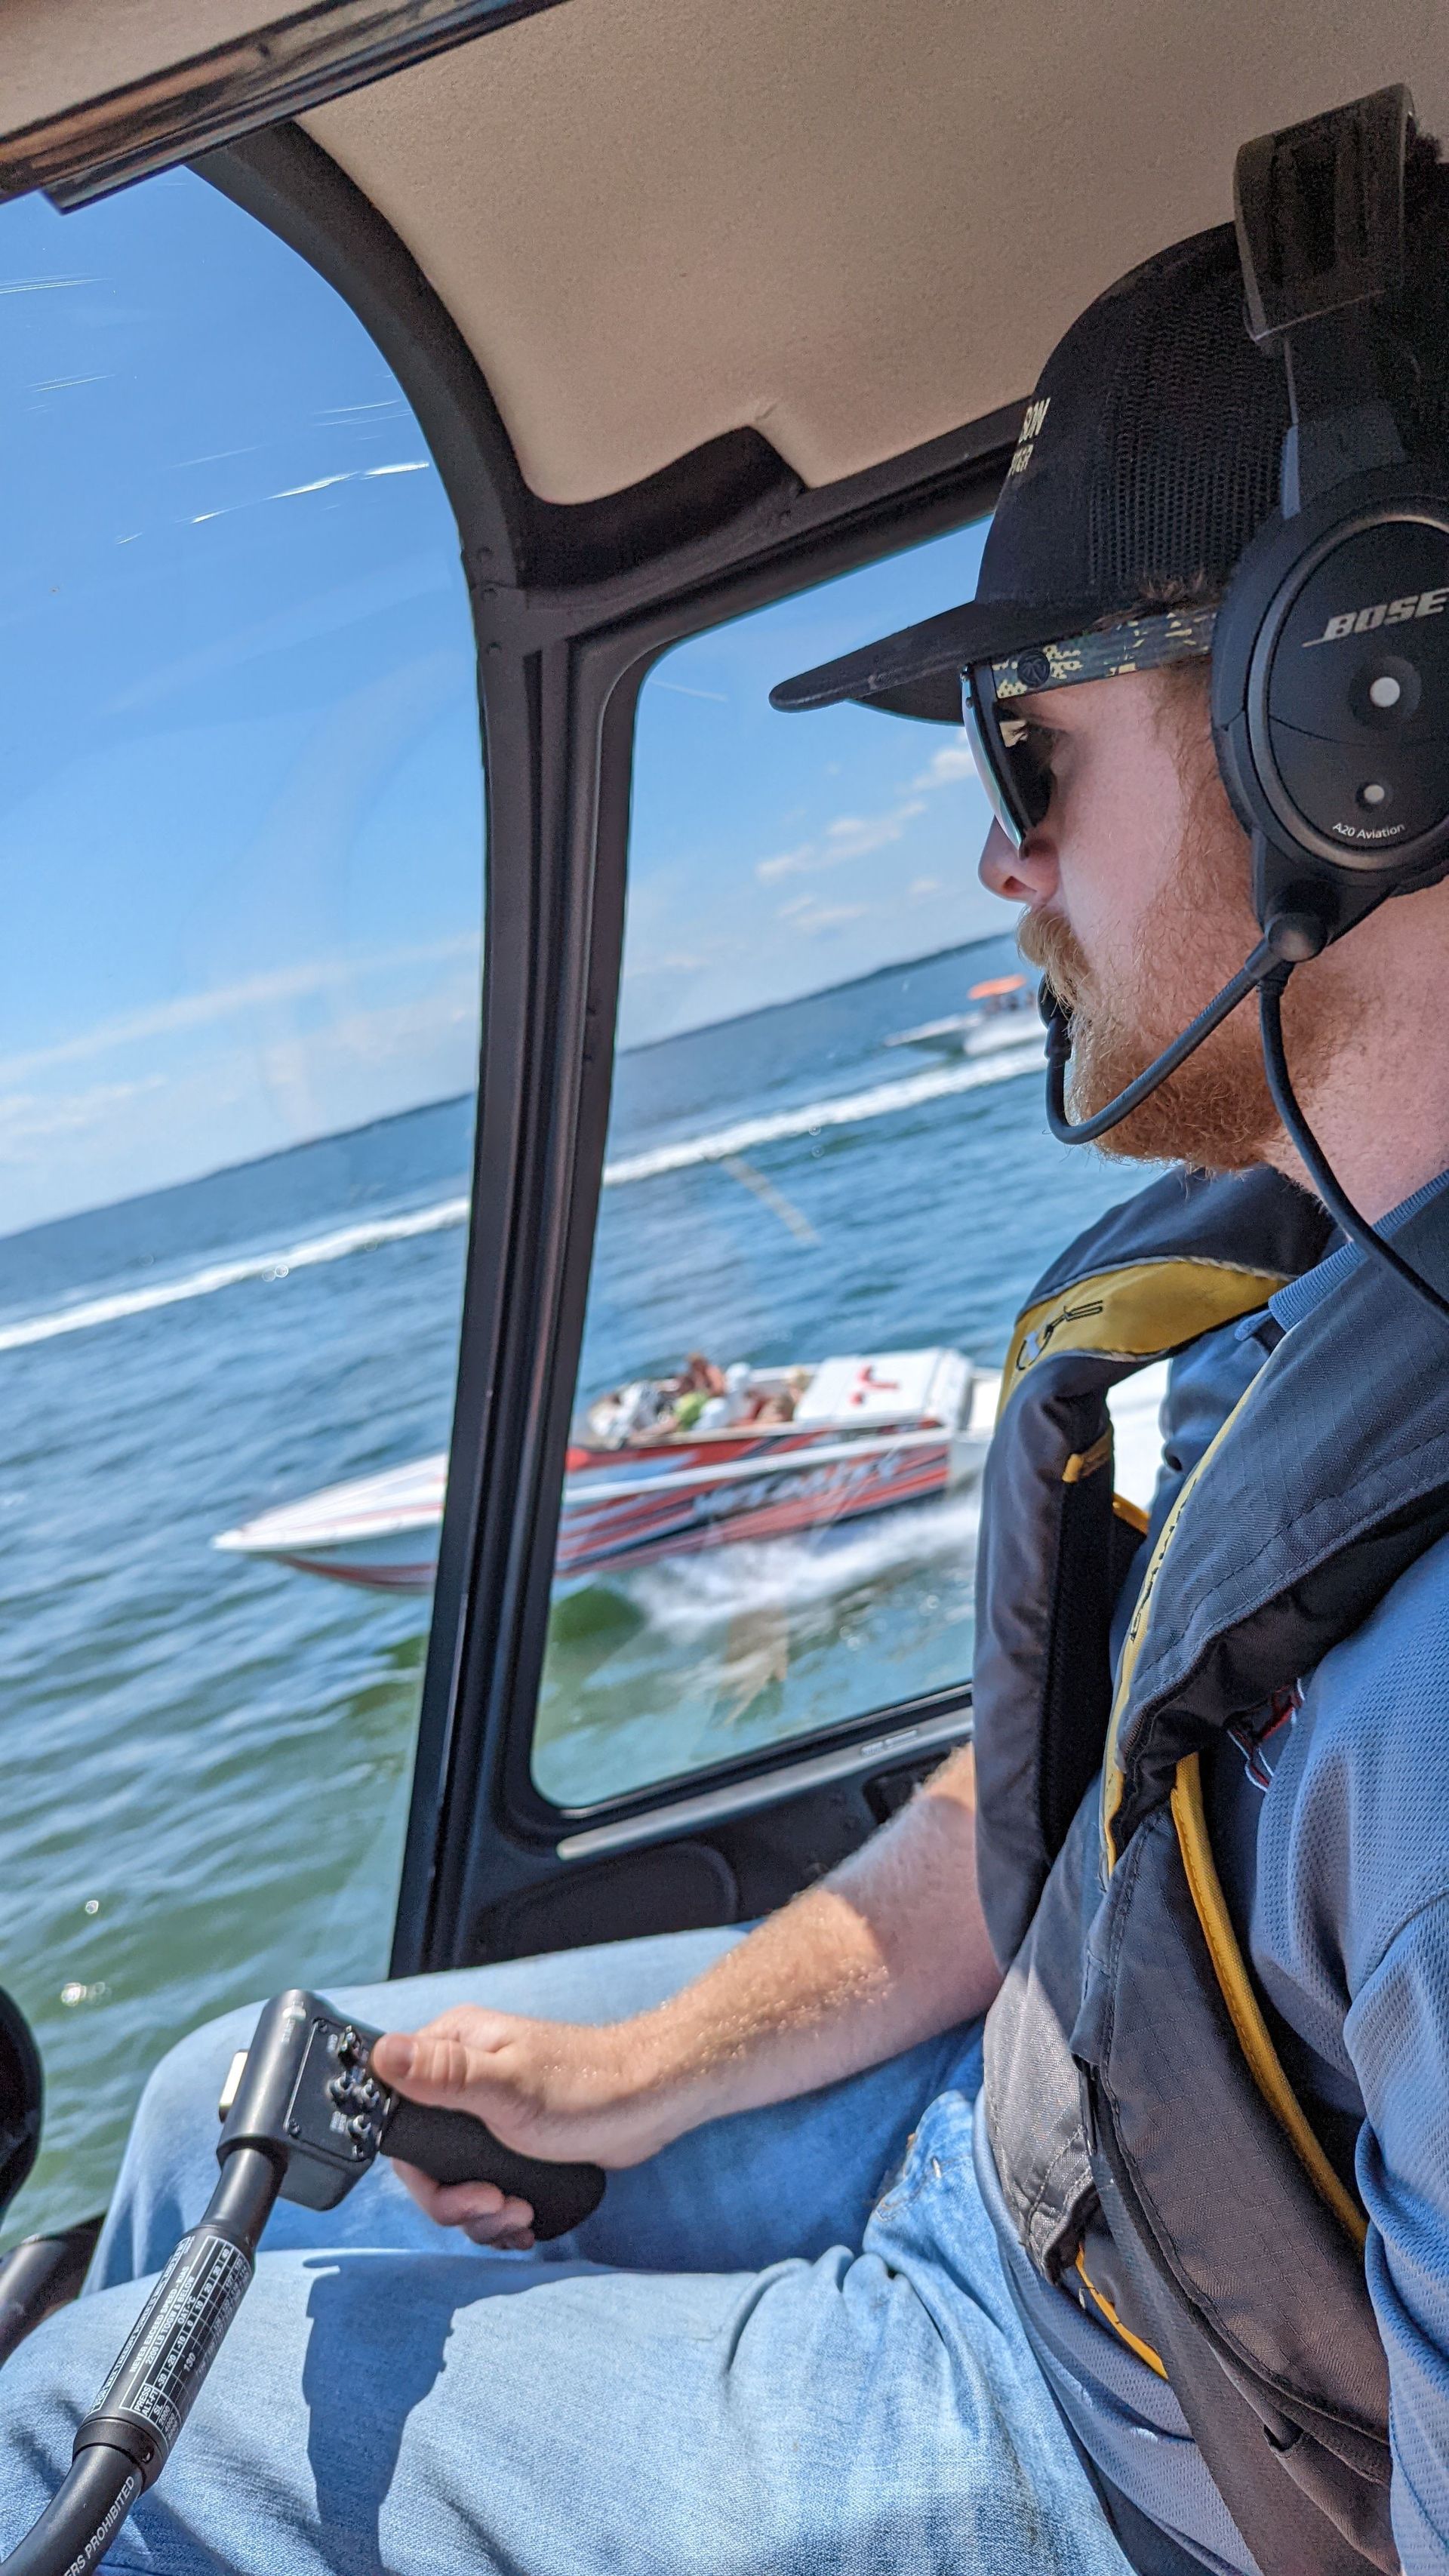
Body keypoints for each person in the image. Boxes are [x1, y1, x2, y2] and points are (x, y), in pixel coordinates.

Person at [5, 100, 1449, 2576]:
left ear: (1362, 711)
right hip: (1029, 2146)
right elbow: (1063, 1798)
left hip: (1112, 2422)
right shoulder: (1295, 1280)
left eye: (1026, 736)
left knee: (59, 2446)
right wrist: (628, 2073)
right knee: (203, 2118)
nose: (993, 858)